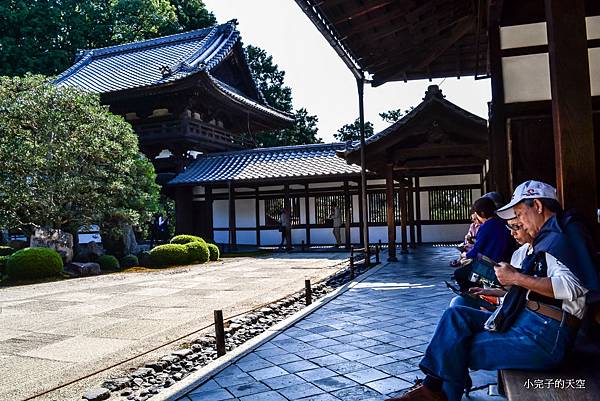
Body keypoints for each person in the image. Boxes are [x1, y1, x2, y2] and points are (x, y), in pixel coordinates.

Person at [387, 180, 599, 401]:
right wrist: (511, 284)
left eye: (520, 214)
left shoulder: (563, 235)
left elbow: (573, 286)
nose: (520, 223)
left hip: (545, 336)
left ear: (537, 205)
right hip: (529, 322)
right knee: (456, 315)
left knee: (455, 349)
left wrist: (517, 277)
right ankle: (433, 390)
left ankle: (434, 391)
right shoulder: (548, 237)